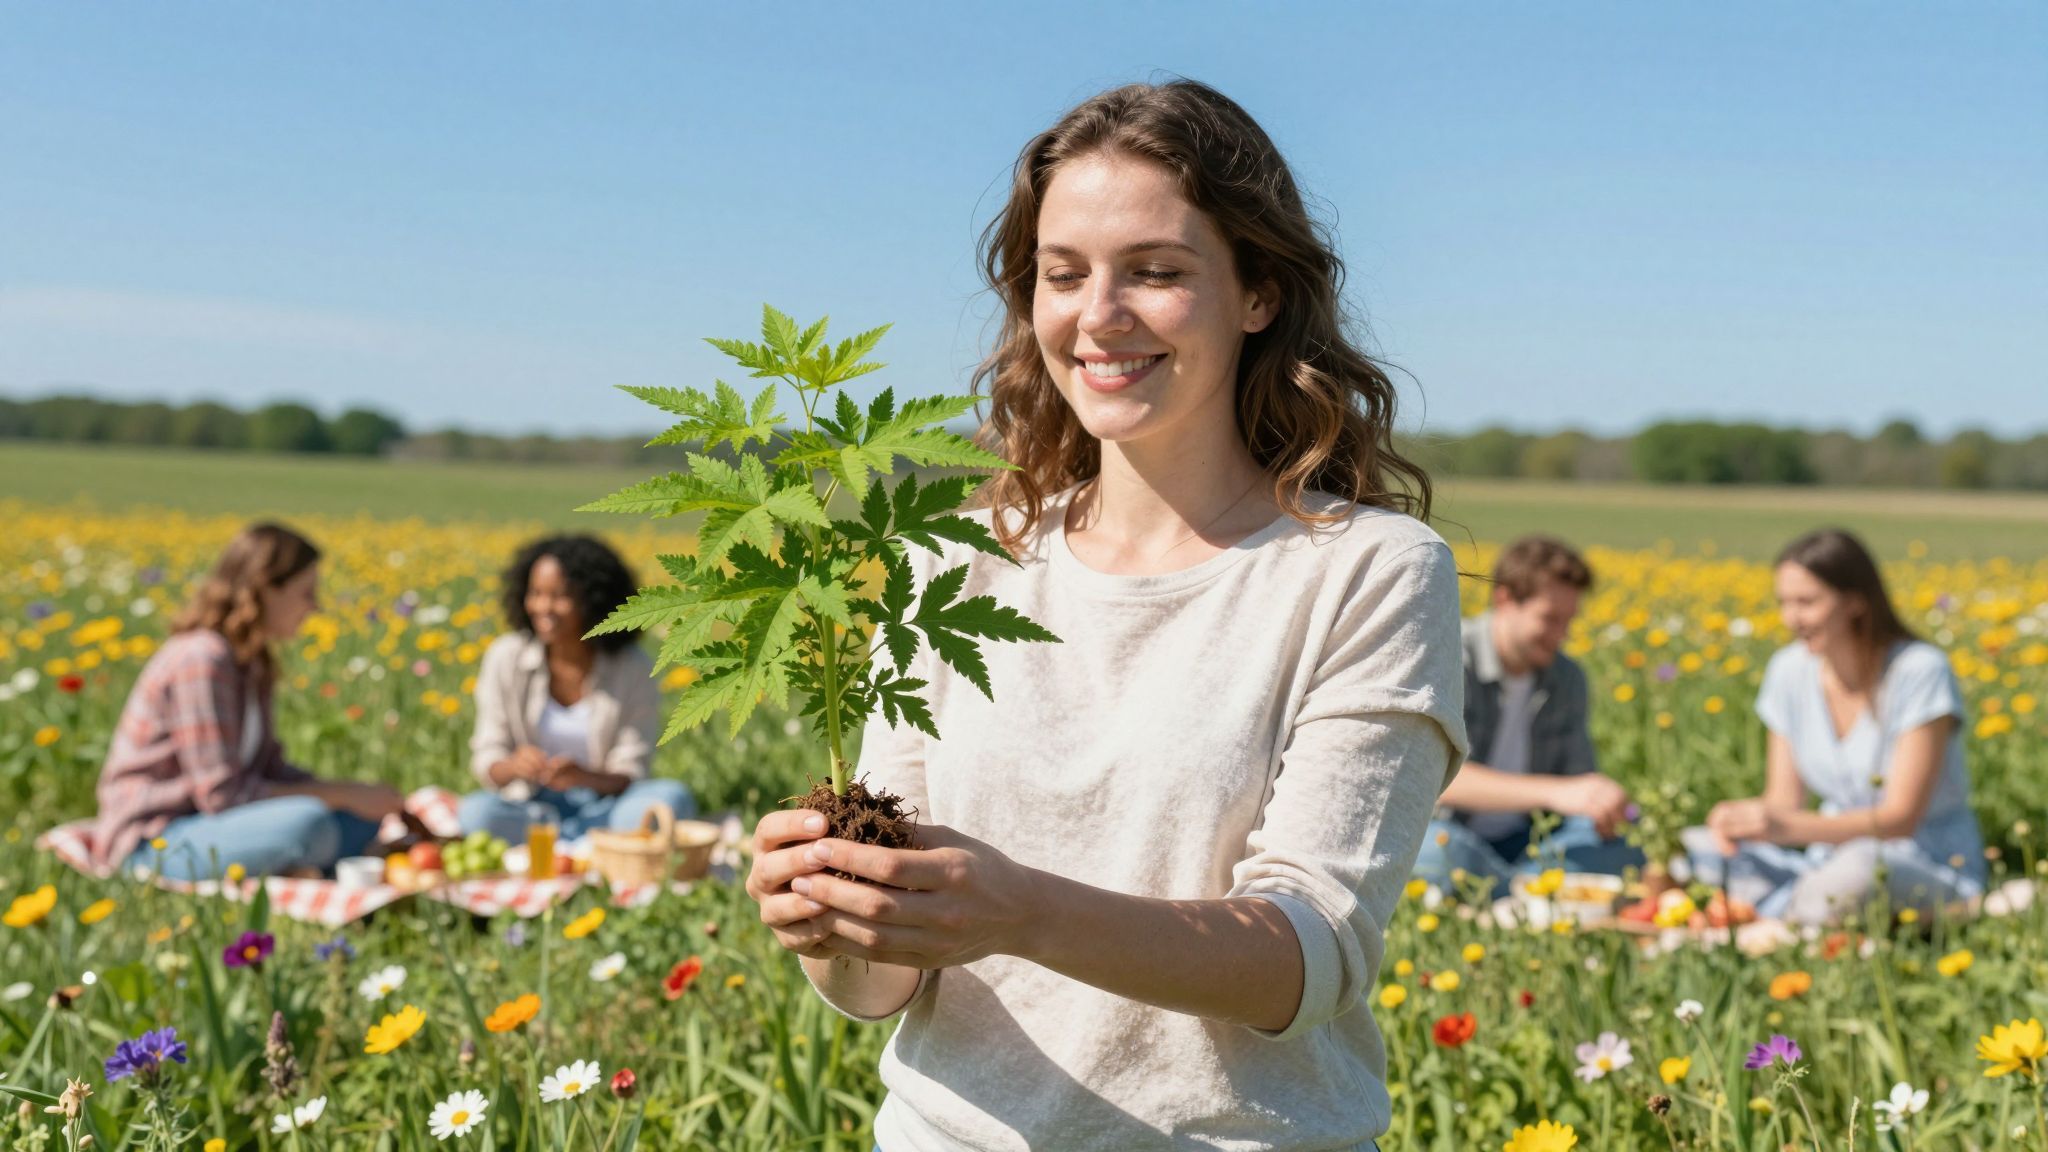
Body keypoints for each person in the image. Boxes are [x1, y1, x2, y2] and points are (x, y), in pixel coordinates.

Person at [743, 81, 1467, 1151]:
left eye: (1156, 272)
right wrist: (829, 919)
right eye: (1063, 274)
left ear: (1258, 292)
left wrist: (1024, 911)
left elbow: (1308, 957)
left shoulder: (1364, 572)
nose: (1099, 315)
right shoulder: (948, 559)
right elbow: (881, 987)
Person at [1682, 528, 1985, 925]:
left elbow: (1900, 819)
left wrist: (1786, 827)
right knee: (1693, 848)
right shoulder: (1788, 670)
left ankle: (1778, 919)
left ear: (1856, 603)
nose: (1791, 619)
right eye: (1784, 603)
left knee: (1856, 874)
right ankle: (1795, 915)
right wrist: (1744, 820)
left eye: (1807, 602)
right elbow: (1783, 801)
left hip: (1919, 858)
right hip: (1822, 858)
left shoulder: (1919, 671)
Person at [93, 523, 405, 881]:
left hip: (218, 826)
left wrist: (359, 796)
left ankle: (296, 862)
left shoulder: (250, 662)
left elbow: (267, 769)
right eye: (306, 592)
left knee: (362, 820)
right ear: (266, 588)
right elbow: (221, 796)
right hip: (158, 839)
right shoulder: (201, 659)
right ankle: (298, 860)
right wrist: (338, 794)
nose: (314, 607)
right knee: (309, 823)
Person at [1411, 536, 1642, 894]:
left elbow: (1577, 785)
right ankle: (1531, 891)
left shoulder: (1567, 678)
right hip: (1449, 833)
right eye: (1549, 619)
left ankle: (1504, 891)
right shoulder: (1451, 658)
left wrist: (1602, 807)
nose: (1560, 635)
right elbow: (1432, 781)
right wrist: (1553, 793)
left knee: (1628, 848)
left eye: (1568, 621)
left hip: (1528, 841)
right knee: (1435, 855)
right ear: (1504, 599)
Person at [458, 535, 694, 842]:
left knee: (671, 799)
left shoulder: (633, 667)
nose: (544, 607)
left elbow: (632, 768)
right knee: (476, 814)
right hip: (529, 807)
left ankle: (577, 841)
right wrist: (514, 766)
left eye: (560, 596)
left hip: (608, 807)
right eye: (536, 593)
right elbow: (487, 760)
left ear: (595, 600)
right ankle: (591, 844)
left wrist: (583, 778)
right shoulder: (506, 657)